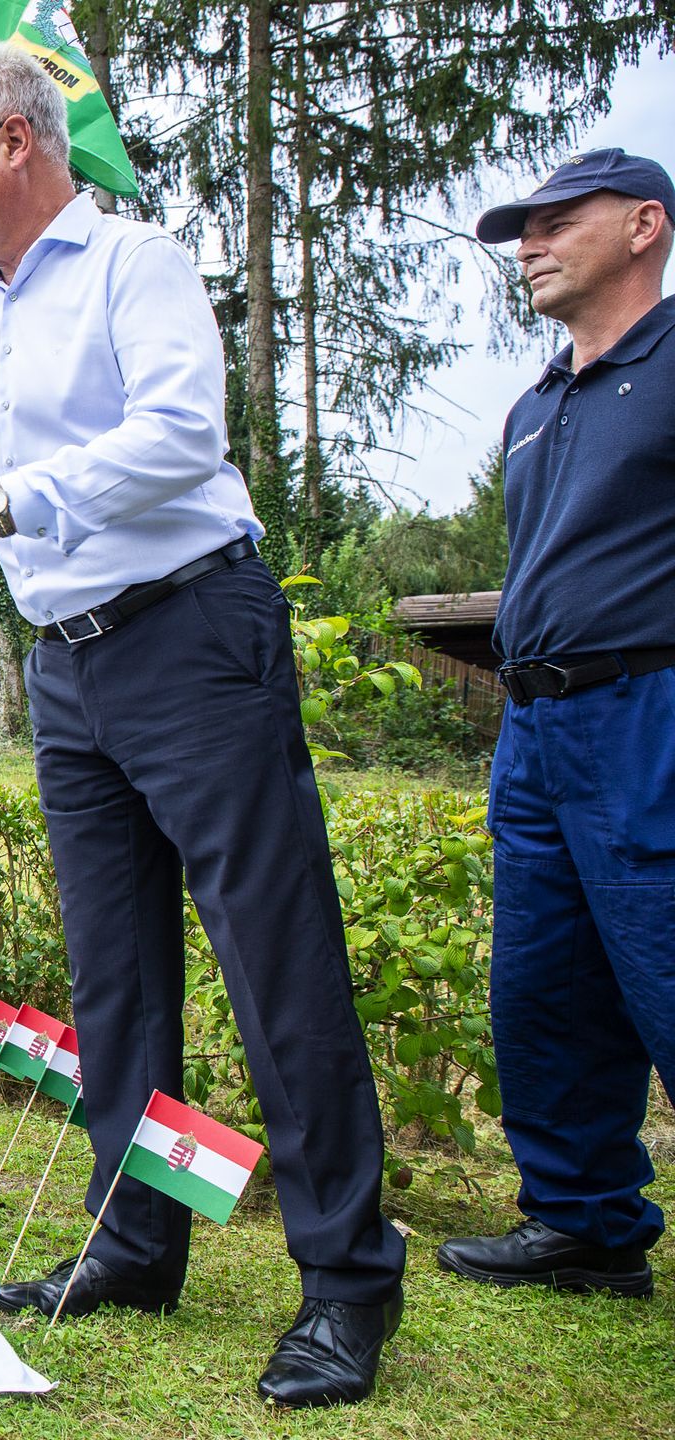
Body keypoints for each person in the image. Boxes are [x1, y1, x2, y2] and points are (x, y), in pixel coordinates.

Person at [0, 45, 405, 1408]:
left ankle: (347, 1284)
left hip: (191, 637)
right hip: (73, 666)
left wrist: (0, 503)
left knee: (276, 964)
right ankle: (135, 1241)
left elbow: (180, 436)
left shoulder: (131, 268)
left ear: (15, 148)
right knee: (117, 977)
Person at [434, 150, 674, 1301]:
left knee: (665, 963)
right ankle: (584, 1221)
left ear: (643, 226)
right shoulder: (536, 404)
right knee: (547, 985)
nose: (526, 244)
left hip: (652, 713)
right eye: (518, 230)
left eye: (552, 222)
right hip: (539, 731)